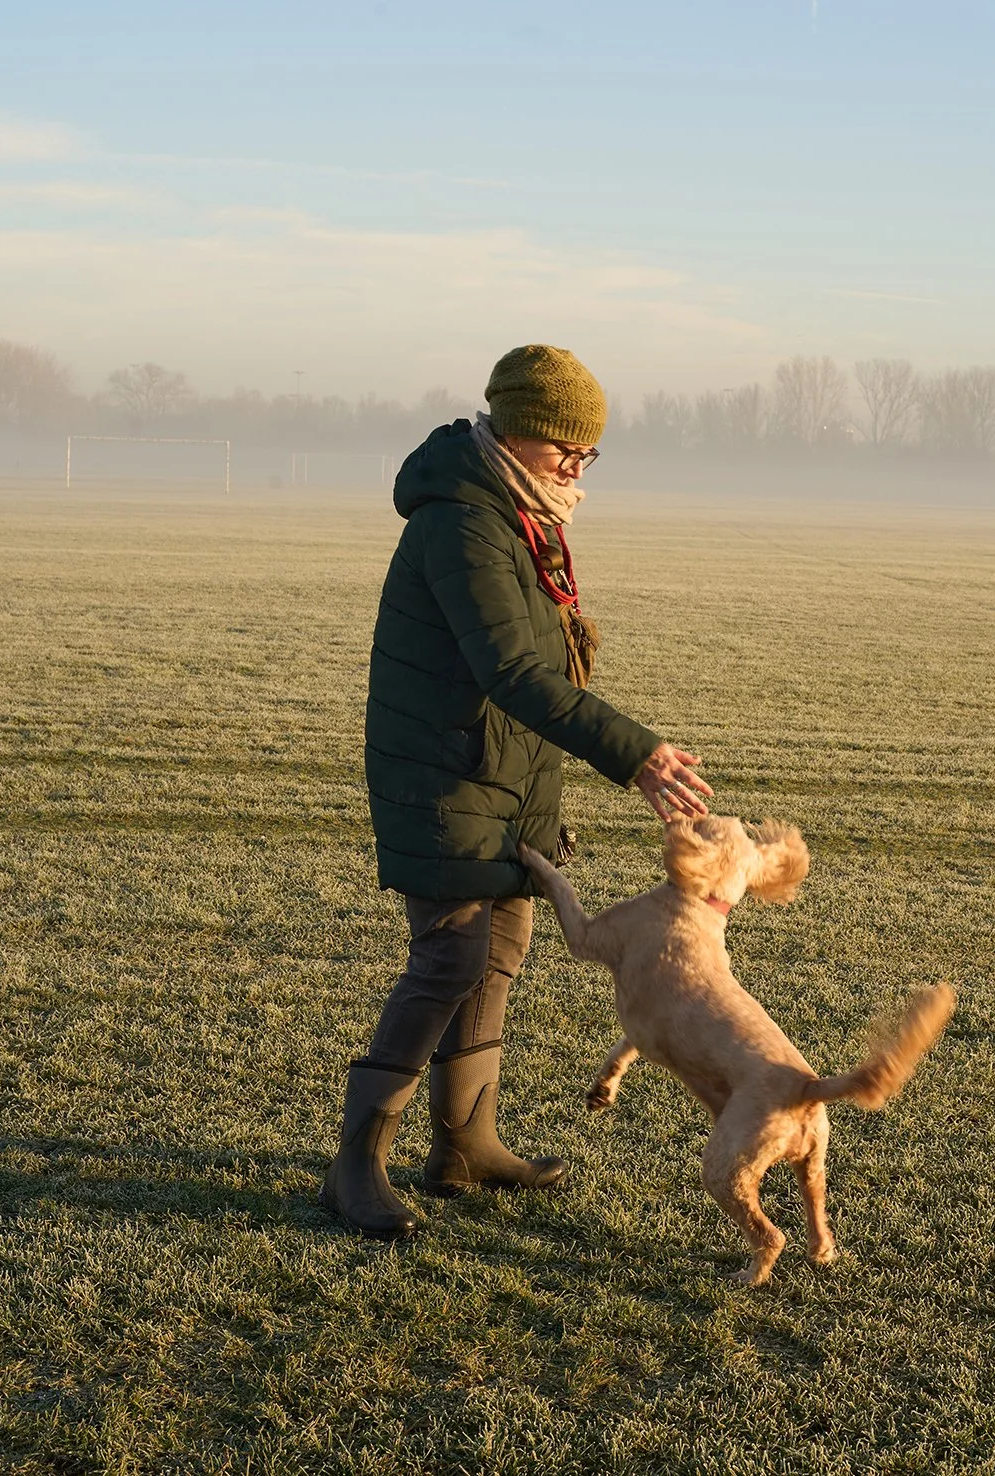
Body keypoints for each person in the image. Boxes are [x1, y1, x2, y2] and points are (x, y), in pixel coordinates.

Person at [321, 344, 713, 1238]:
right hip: (447, 774)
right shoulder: (463, 522)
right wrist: (636, 754)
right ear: (510, 428)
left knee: (499, 953)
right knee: (449, 960)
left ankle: (466, 1145)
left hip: (501, 776)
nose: (575, 468)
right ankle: (353, 1168)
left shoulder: (523, 518)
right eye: (560, 448)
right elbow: (509, 669)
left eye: (588, 454)